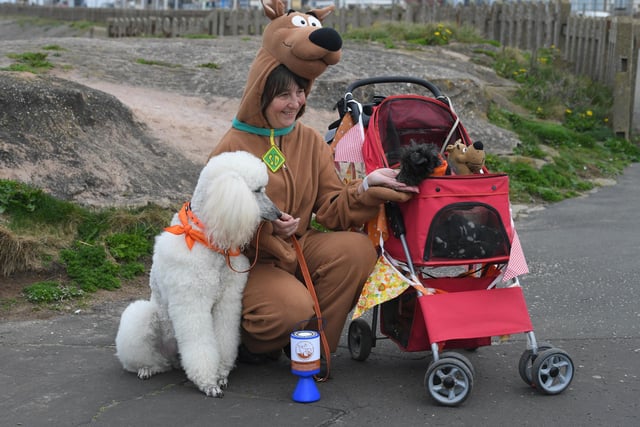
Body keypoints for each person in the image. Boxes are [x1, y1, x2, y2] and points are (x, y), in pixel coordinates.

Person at [209, 63, 419, 364]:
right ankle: (253, 342)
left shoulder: (309, 140)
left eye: (300, 92)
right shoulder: (232, 145)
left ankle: (311, 350)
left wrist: (366, 187)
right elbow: (216, 222)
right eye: (284, 95)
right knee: (292, 310)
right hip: (250, 260)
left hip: (298, 247)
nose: (295, 103)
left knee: (357, 250)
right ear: (261, 96)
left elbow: (331, 209)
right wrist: (267, 231)